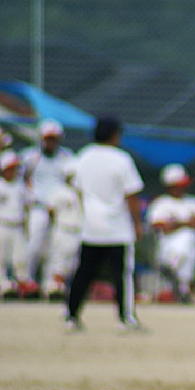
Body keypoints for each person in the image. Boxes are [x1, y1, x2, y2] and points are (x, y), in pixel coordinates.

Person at [65, 116, 145, 332]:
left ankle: (71, 315)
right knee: (122, 274)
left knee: (84, 272)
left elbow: (77, 187)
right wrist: (137, 223)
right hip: (117, 228)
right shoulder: (121, 159)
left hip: (91, 226)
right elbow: (131, 194)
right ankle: (126, 317)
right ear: (114, 135)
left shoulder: (83, 157)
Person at [22, 119, 75, 291]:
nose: (51, 142)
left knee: (56, 246)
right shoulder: (30, 156)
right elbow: (23, 178)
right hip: (39, 207)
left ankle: (50, 284)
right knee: (34, 244)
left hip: (60, 209)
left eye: (54, 138)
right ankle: (27, 280)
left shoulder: (67, 157)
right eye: (48, 138)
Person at [148, 164, 195, 303]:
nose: (182, 188)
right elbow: (161, 227)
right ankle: (183, 288)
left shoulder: (194, 201)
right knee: (186, 247)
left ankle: (173, 270)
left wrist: (177, 223)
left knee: (188, 238)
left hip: (194, 244)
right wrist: (186, 221)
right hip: (167, 244)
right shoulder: (161, 203)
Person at [40, 157, 82, 300]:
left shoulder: (82, 192)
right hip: (63, 229)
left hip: (77, 231)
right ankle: (51, 287)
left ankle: (64, 288)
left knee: (73, 263)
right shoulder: (59, 191)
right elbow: (50, 210)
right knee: (57, 259)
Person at [0, 150, 32, 298]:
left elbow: (27, 206)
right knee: (1, 257)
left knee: (20, 257)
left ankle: (22, 283)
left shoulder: (21, 187)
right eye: (11, 168)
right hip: (3, 224)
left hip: (17, 225)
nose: (14, 172)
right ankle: (3, 284)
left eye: (16, 168)